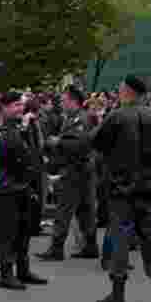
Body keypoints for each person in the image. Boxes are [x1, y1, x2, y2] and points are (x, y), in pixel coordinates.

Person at [91, 76, 151, 302]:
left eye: (121, 89)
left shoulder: (117, 116)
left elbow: (96, 142)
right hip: (148, 188)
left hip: (121, 188)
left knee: (120, 236)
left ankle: (117, 292)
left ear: (127, 92)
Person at [36, 85, 99, 262]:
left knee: (64, 210)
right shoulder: (73, 118)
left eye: (64, 100)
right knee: (85, 211)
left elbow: (81, 145)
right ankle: (90, 246)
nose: (62, 104)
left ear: (73, 101)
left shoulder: (81, 119)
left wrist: (58, 142)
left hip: (76, 170)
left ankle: (56, 248)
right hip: (80, 170)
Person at [0, 91, 48, 290]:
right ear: (5, 108)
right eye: (15, 105)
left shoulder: (19, 128)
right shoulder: (4, 131)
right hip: (8, 188)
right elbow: (16, 159)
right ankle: (6, 274)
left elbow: (32, 152)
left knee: (24, 231)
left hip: (22, 186)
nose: (19, 108)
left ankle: (23, 270)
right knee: (9, 234)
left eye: (20, 105)